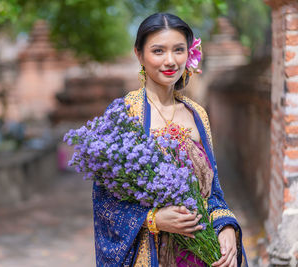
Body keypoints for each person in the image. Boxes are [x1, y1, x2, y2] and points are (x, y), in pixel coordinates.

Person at [92, 13, 248, 267]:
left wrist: (226, 226)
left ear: (189, 53)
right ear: (139, 54)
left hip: (203, 253)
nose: (170, 61)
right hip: (152, 256)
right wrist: (153, 219)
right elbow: (105, 203)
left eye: (178, 50)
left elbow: (212, 192)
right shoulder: (125, 114)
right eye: (158, 51)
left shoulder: (198, 115)